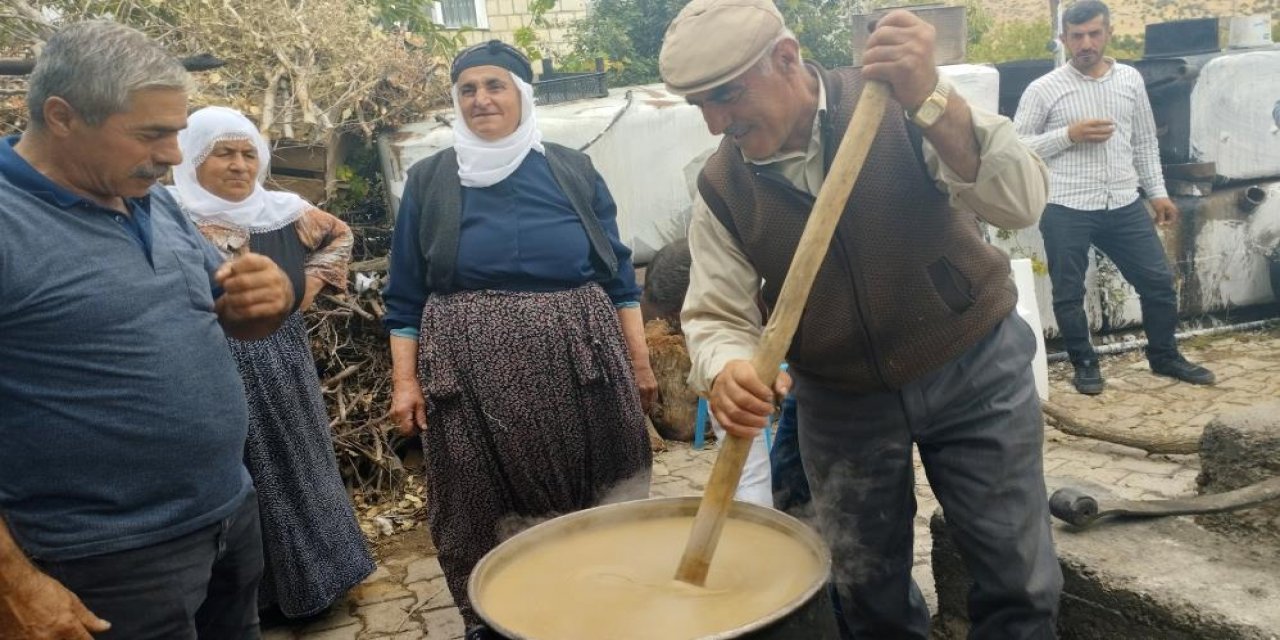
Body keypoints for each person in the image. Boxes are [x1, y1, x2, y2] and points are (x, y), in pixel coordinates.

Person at [660, 1, 1063, 637]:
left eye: (726, 96)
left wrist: (934, 99)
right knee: (865, 589)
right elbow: (716, 313)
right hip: (840, 398)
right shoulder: (721, 187)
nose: (716, 124)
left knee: (1018, 576)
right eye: (699, 106)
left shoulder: (900, 102)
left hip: (971, 364)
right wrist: (728, 365)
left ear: (787, 60)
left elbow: (1018, 203)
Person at [0, 21, 294, 639]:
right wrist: (13, 584)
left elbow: (228, 314)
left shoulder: (152, 202)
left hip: (227, 515)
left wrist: (266, 300)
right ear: (61, 116)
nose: (172, 156)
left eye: (178, 132)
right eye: (152, 134)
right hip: (103, 561)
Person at [382, 40, 654, 639]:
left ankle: (608, 609)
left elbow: (618, 276)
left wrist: (639, 362)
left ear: (523, 95)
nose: (481, 99)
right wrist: (406, 382)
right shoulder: (432, 179)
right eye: (468, 89)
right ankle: (501, 621)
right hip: (469, 374)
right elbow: (404, 295)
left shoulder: (570, 168)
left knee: (604, 487)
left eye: (495, 85)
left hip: (580, 360)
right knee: (478, 501)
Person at [168, 106, 375, 620]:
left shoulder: (282, 211)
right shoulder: (168, 216)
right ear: (191, 159)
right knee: (245, 473)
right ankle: (259, 598)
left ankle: (323, 580)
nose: (239, 166)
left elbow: (339, 236)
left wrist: (302, 292)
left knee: (302, 460)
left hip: (283, 359)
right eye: (223, 153)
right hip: (209, 364)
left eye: (247, 154)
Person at [1014, 0, 1215, 395]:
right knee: (1069, 292)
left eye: (1093, 33)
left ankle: (1164, 356)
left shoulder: (1130, 80)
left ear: (1108, 33)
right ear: (1064, 39)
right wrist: (1067, 135)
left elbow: (1143, 140)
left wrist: (1157, 193)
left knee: (1157, 281)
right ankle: (1085, 365)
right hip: (1065, 204)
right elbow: (1016, 146)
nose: (1086, 43)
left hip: (1122, 202)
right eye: (1077, 36)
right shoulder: (1044, 89)